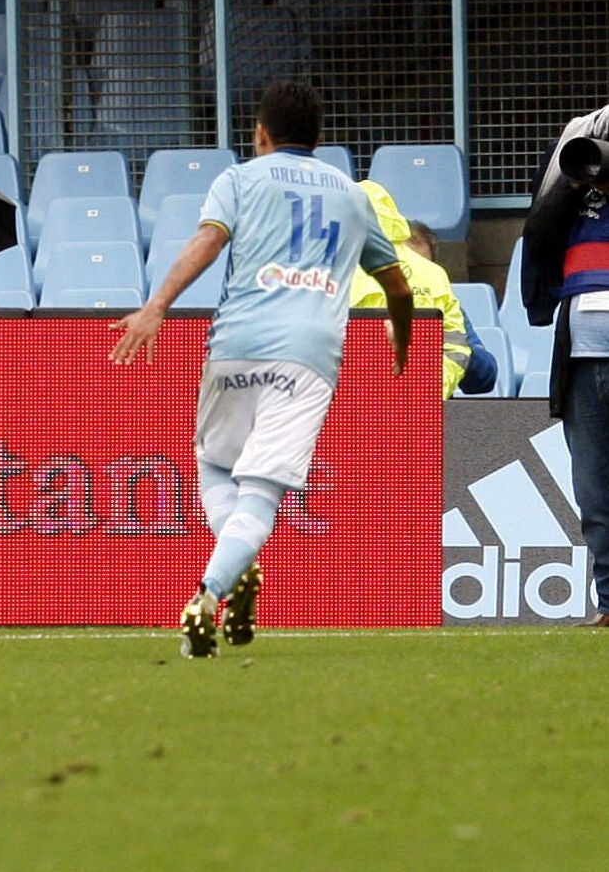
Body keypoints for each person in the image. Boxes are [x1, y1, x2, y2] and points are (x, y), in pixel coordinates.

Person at [109, 80, 412, 658]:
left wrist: (156, 307)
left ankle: (231, 566)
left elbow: (207, 241)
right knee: (263, 492)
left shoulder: (240, 179)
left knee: (214, 466)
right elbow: (395, 284)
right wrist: (399, 342)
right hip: (310, 355)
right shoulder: (353, 196)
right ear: (321, 139)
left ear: (261, 134)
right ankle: (210, 592)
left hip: (236, 344)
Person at [521, 104, 609, 627]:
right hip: (581, 348)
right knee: (595, 491)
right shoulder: (573, 175)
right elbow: (538, 235)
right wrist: (574, 181)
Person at [349, 180, 495, 398]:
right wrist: (427, 392)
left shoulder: (324, 269)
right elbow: (457, 351)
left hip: (347, 410)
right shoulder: (432, 276)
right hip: (419, 413)